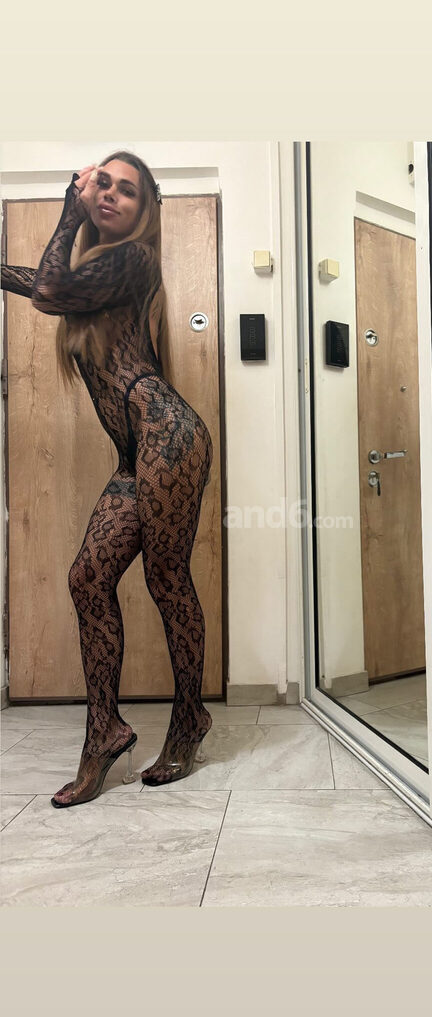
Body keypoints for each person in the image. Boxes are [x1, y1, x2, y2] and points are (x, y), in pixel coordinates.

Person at [1, 152, 214, 804]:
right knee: (87, 579)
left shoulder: (135, 259)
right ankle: (105, 729)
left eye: (126, 189)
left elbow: (48, 293)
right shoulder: (98, 274)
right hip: (135, 452)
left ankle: (189, 719)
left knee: (166, 579)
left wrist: (69, 210)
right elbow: (44, 282)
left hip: (168, 436)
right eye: (102, 184)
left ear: (145, 208)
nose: (110, 195)